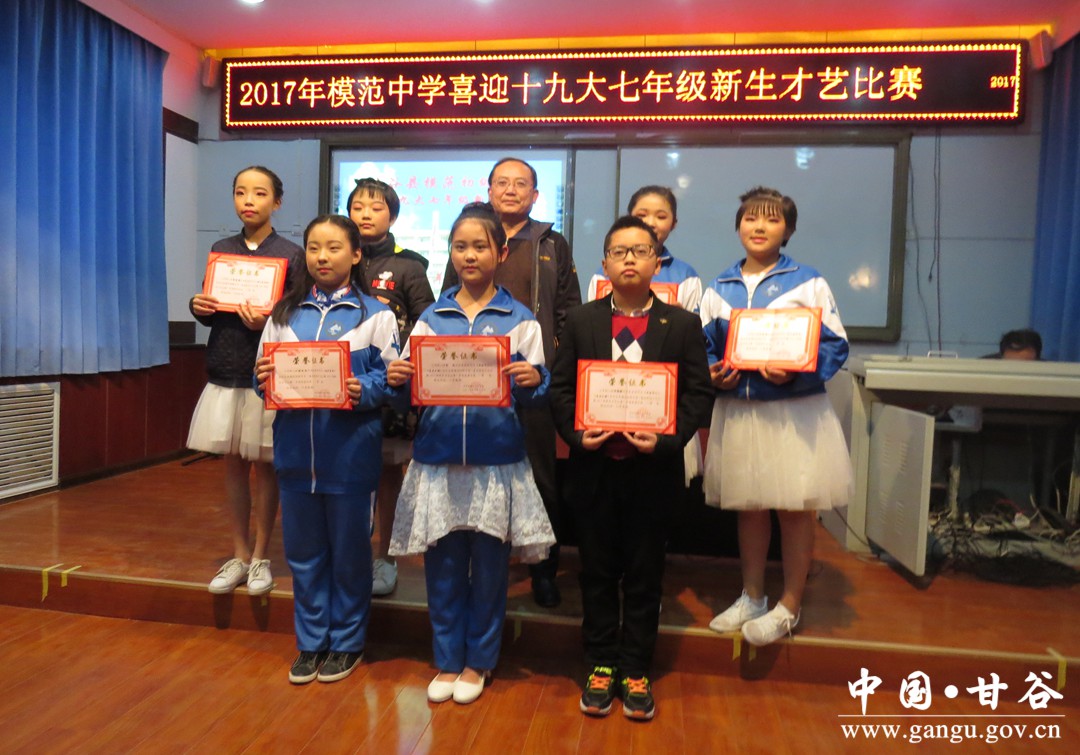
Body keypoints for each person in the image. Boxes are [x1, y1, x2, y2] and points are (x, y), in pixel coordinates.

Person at [389, 202, 556, 706]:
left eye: (480, 246)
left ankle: (479, 660)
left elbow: (538, 391)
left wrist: (533, 379)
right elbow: (409, 390)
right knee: (441, 567)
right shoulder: (431, 318)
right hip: (438, 458)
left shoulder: (520, 320)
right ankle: (447, 658)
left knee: (488, 569)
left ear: (500, 253)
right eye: (460, 246)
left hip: (495, 461)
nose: (469, 255)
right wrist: (398, 379)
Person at [550, 215, 713, 721]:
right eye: (619, 251)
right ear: (604, 263)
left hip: (652, 474)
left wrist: (667, 441)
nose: (629, 260)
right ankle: (600, 663)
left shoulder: (681, 324)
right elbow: (560, 390)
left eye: (640, 251)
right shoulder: (581, 321)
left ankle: (636, 667)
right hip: (593, 471)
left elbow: (698, 395)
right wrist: (577, 436)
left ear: (656, 262)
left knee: (645, 576)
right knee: (596, 573)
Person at [700, 187, 853, 647]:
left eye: (771, 219)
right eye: (750, 218)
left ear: (788, 230)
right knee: (749, 508)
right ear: (738, 226)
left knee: (794, 510)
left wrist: (795, 372)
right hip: (740, 411)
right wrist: (713, 372)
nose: (759, 227)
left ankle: (789, 604)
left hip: (793, 413)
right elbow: (705, 347)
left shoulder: (808, 282)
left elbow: (835, 344)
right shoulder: (719, 286)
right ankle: (752, 596)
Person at [255, 214, 402, 684]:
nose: (322, 256)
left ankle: (347, 643)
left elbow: (394, 380)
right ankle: (311, 641)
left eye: (334, 247)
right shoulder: (283, 315)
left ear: (356, 254)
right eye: (314, 247)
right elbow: (263, 380)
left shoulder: (375, 315)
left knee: (351, 554)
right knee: (303, 555)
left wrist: (366, 389)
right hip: (296, 454)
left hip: (351, 457)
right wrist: (263, 381)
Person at [441, 157, 581, 608]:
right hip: (473, 380)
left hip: (531, 377)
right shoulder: (471, 236)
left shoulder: (551, 242)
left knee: (539, 476)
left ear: (535, 195)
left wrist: (550, 366)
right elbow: (446, 302)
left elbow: (568, 309)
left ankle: (543, 568)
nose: (510, 190)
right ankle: (481, 563)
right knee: (478, 472)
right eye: (502, 182)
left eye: (521, 184)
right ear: (488, 189)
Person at [188, 165, 302, 597]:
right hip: (225, 364)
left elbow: (296, 315)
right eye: (240, 192)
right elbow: (212, 307)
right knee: (233, 464)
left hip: (266, 371)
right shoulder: (222, 248)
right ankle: (238, 553)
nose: (248, 200)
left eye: (259, 193)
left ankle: (261, 556)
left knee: (266, 466)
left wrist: (269, 318)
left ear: (277, 201)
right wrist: (198, 306)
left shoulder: (291, 254)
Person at [348, 177, 436, 596]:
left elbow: (427, 323)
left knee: (387, 475)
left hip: (390, 387)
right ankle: (351, 554)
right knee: (348, 471)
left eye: (376, 207)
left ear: (394, 216)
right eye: (358, 207)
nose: (365, 214)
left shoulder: (410, 266)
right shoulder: (340, 259)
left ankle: (385, 557)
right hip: (345, 386)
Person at [586, 185, 705, 485]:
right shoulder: (602, 276)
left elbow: (694, 352)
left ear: (674, 223)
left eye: (661, 215)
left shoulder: (687, 275)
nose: (651, 222)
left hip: (662, 411)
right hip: (606, 403)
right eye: (642, 214)